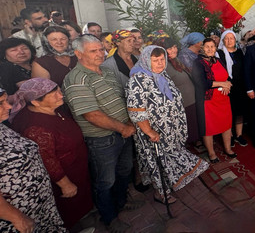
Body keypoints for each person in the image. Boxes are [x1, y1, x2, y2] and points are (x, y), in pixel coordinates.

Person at [63, 34, 140, 232]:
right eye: (93, 51)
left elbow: (122, 98)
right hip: (101, 139)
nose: (100, 54)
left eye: (101, 49)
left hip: (124, 131)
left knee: (124, 171)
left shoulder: (106, 71)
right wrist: (124, 128)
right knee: (105, 181)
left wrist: (130, 121)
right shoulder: (75, 80)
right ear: (78, 54)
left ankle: (121, 203)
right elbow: (92, 115)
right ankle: (110, 217)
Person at [127, 46, 209, 203]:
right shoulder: (138, 80)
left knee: (169, 158)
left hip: (170, 129)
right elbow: (136, 110)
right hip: (155, 132)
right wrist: (150, 132)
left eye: (162, 59)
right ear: (145, 61)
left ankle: (170, 183)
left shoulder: (162, 75)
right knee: (158, 162)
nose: (160, 63)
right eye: (155, 60)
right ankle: (161, 193)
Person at [11, 78, 93, 229]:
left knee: (79, 201)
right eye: (54, 94)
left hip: (76, 166)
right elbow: (47, 159)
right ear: (36, 102)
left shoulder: (52, 110)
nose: (60, 95)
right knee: (67, 209)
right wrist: (65, 184)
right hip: (64, 175)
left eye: (59, 91)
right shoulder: (36, 128)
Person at [0, 87, 67, 232]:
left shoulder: (2, 127)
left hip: (39, 204)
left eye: (6, 101)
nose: (9, 106)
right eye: (1, 103)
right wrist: (16, 217)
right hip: (18, 216)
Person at [191, 38, 235, 162]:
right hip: (208, 101)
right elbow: (201, 83)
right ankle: (211, 153)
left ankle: (227, 149)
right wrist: (222, 83)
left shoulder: (219, 60)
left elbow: (227, 76)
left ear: (216, 48)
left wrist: (228, 84)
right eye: (207, 47)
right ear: (202, 49)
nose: (210, 49)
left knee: (226, 125)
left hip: (223, 99)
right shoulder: (198, 63)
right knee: (208, 127)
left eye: (212, 46)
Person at [154, 37, 199, 144]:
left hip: (190, 100)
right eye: (170, 48)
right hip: (182, 104)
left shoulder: (175, 61)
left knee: (193, 126)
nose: (174, 50)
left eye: (174, 47)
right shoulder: (163, 66)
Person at [218, 30, 249, 147]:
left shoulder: (240, 52)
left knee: (239, 111)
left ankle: (239, 135)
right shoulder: (219, 54)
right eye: (227, 38)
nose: (229, 40)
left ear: (235, 40)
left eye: (232, 38)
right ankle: (229, 136)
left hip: (240, 87)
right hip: (226, 87)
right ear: (223, 40)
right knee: (228, 112)